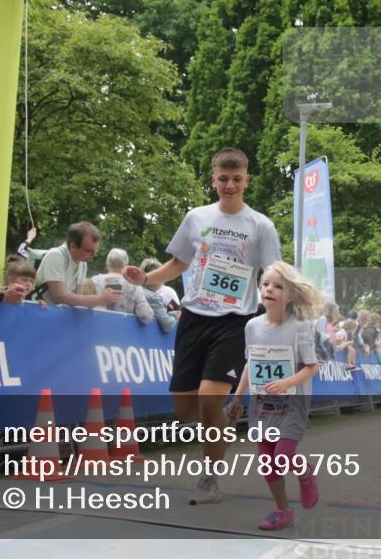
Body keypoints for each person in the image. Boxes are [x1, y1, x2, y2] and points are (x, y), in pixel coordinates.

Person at [123, 147, 282, 505]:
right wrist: (145, 278)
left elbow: (273, 275)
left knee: (209, 397)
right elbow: (178, 264)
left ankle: (209, 478)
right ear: (213, 180)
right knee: (186, 410)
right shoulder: (197, 217)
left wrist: (275, 318)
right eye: (223, 179)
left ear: (247, 180)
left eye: (236, 179)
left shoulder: (261, 225)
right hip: (193, 318)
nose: (230, 185)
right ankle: (218, 423)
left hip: (235, 321)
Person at [227, 261, 321, 530]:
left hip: (292, 403)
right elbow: (250, 364)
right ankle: (282, 511)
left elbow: (312, 367)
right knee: (267, 463)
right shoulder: (252, 326)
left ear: (290, 295)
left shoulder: (300, 327)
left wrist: (286, 382)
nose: (269, 289)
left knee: (282, 456)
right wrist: (237, 398)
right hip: (263, 403)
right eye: (265, 284)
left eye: (278, 286)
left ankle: (305, 472)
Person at [33, 222, 121, 308]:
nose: (94, 255)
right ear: (73, 246)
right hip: (38, 312)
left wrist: (103, 297)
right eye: (89, 251)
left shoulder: (82, 264)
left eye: (96, 250)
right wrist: (99, 299)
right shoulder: (55, 256)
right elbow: (59, 297)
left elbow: (78, 299)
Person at [91, 248, 155, 324]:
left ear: (107, 262)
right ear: (126, 264)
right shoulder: (134, 285)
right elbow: (145, 315)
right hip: (124, 329)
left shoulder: (94, 281)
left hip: (97, 326)